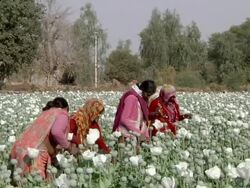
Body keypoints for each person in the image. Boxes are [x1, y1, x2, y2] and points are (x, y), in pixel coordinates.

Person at [9, 97, 77, 179]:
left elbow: (44, 137)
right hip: (36, 153)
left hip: (21, 149)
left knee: (23, 181)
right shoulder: (62, 114)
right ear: (66, 108)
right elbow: (57, 132)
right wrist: (68, 146)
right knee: (37, 182)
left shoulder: (46, 113)